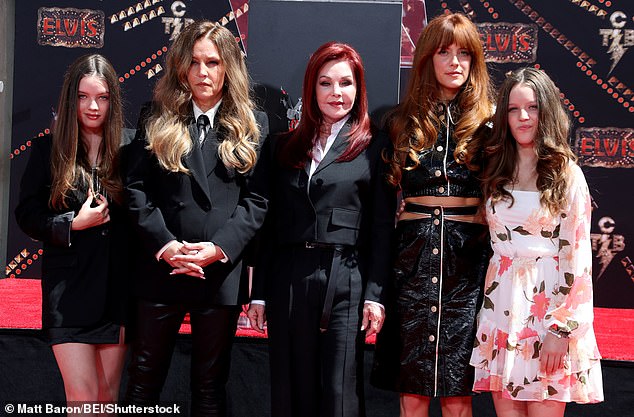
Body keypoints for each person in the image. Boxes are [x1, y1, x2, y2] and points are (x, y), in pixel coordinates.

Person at [123, 21, 268, 416]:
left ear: (228, 68)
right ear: (181, 67)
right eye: (195, 62)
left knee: (209, 388)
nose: (203, 72)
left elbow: (257, 201)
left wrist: (218, 249)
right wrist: (167, 246)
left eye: (213, 62)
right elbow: (135, 190)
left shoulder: (253, 122)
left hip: (217, 275)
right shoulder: (155, 115)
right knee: (142, 381)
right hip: (161, 270)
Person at [245, 41, 397, 417]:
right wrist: (259, 294)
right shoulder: (284, 146)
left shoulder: (374, 146)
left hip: (345, 277)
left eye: (345, 83)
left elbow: (381, 227)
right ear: (311, 88)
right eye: (326, 83)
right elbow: (269, 226)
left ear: (358, 89)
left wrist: (375, 294)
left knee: (338, 391)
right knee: (289, 388)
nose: (336, 93)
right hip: (288, 278)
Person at [371, 12, 494, 417]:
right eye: (444, 52)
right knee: (413, 389)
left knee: (459, 391)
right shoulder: (396, 122)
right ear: (427, 58)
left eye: (464, 53)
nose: (455, 62)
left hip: (469, 264)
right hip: (412, 261)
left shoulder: (491, 125)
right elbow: (378, 206)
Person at [469, 67, 604, 416]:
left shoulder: (567, 174)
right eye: (513, 109)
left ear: (547, 111)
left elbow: (577, 257)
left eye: (531, 107)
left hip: (548, 313)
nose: (523, 117)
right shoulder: (496, 167)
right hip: (502, 307)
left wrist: (561, 329)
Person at [15, 54, 131, 407]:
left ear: (113, 99)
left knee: (107, 400)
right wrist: (72, 224)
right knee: (82, 398)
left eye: (102, 97)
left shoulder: (130, 148)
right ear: (71, 100)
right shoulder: (49, 150)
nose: (93, 107)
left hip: (116, 292)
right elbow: (26, 215)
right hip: (67, 293)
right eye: (83, 97)